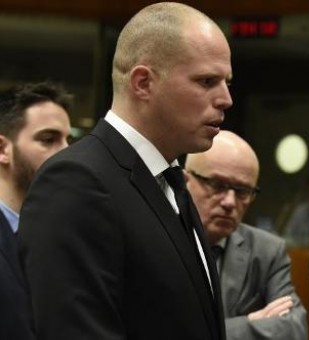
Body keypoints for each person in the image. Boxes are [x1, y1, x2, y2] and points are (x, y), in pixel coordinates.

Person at [18, 3, 232, 339]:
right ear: (143, 83)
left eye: (226, 81)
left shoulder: (170, 178)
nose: (226, 98)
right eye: (207, 81)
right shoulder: (77, 180)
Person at [185, 131, 307, 340]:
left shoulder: (268, 250)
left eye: (242, 191)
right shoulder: (155, 239)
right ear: (184, 181)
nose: (230, 202)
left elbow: (294, 330)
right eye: (217, 185)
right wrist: (250, 322)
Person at [0, 82, 71, 340]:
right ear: (2, 150)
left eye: (68, 139)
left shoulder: (59, 238)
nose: (66, 152)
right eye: (48, 139)